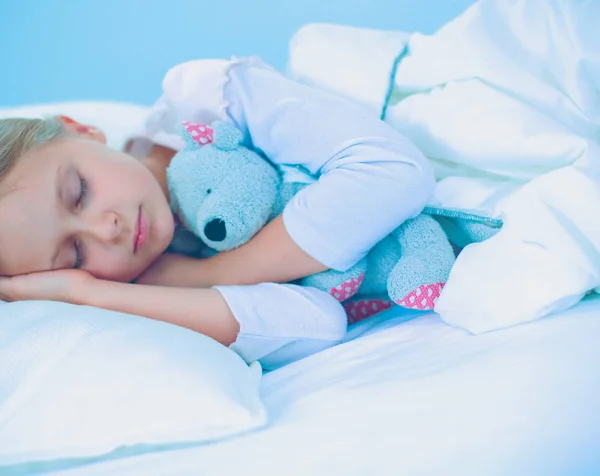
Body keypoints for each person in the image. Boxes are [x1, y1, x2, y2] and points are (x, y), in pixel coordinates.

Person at [0, 57, 435, 367]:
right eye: (74, 255)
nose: (106, 229)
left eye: (79, 192)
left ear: (81, 129)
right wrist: (88, 294)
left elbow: (394, 171)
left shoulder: (207, 100)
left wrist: (211, 274)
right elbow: (316, 322)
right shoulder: (137, 286)